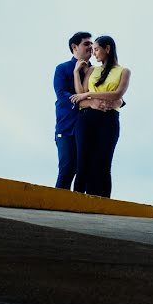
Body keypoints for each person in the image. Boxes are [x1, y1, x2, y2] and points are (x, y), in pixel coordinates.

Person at [70, 35, 131, 198]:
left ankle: (102, 204)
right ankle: (76, 201)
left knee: (103, 163)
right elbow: (80, 95)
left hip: (109, 120)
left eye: (96, 49)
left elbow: (118, 94)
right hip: (86, 119)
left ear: (108, 49)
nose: (93, 53)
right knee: (83, 162)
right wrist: (77, 73)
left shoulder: (124, 71)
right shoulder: (91, 70)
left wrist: (91, 95)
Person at [52, 32, 93, 189]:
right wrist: (87, 100)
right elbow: (62, 94)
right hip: (67, 127)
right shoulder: (62, 69)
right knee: (67, 169)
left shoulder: (96, 72)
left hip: (90, 128)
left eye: (91, 44)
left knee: (86, 172)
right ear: (74, 47)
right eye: (86, 44)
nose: (90, 47)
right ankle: (56, 209)